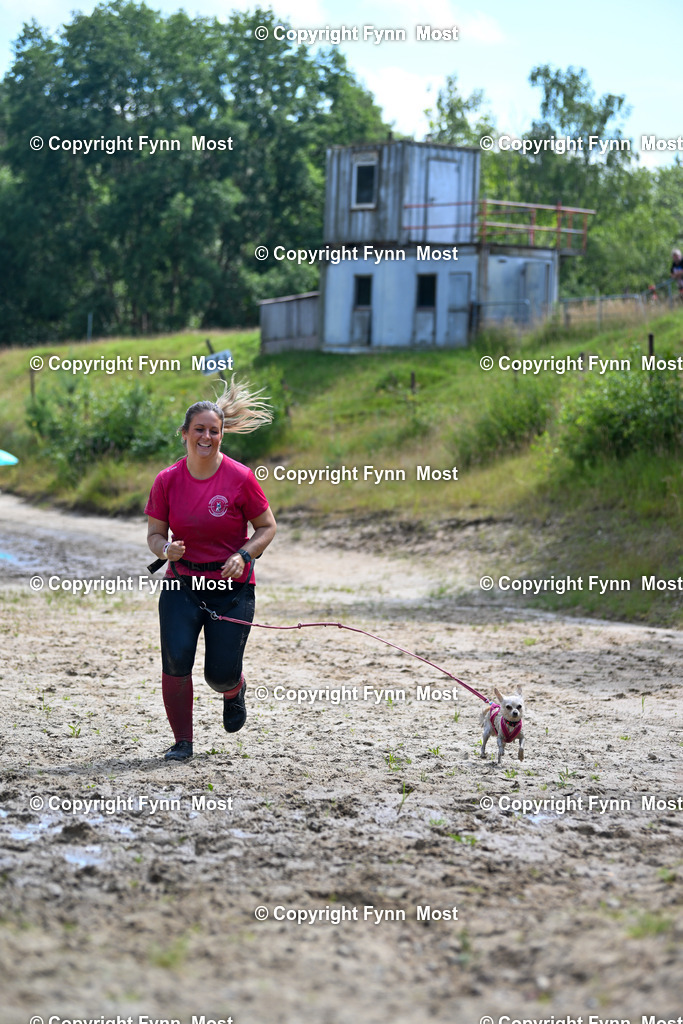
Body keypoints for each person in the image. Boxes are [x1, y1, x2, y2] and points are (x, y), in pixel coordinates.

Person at [145, 377, 277, 761]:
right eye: (199, 430)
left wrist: (245, 555)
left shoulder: (241, 478)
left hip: (230, 588)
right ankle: (182, 743)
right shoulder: (167, 480)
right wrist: (167, 548)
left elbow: (267, 527)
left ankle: (234, 690)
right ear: (184, 434)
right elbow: (154, 536)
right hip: (181, 585)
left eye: (213, 431)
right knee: (176, 661)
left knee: (218, 674)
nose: (206, 436)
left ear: (222, 435)